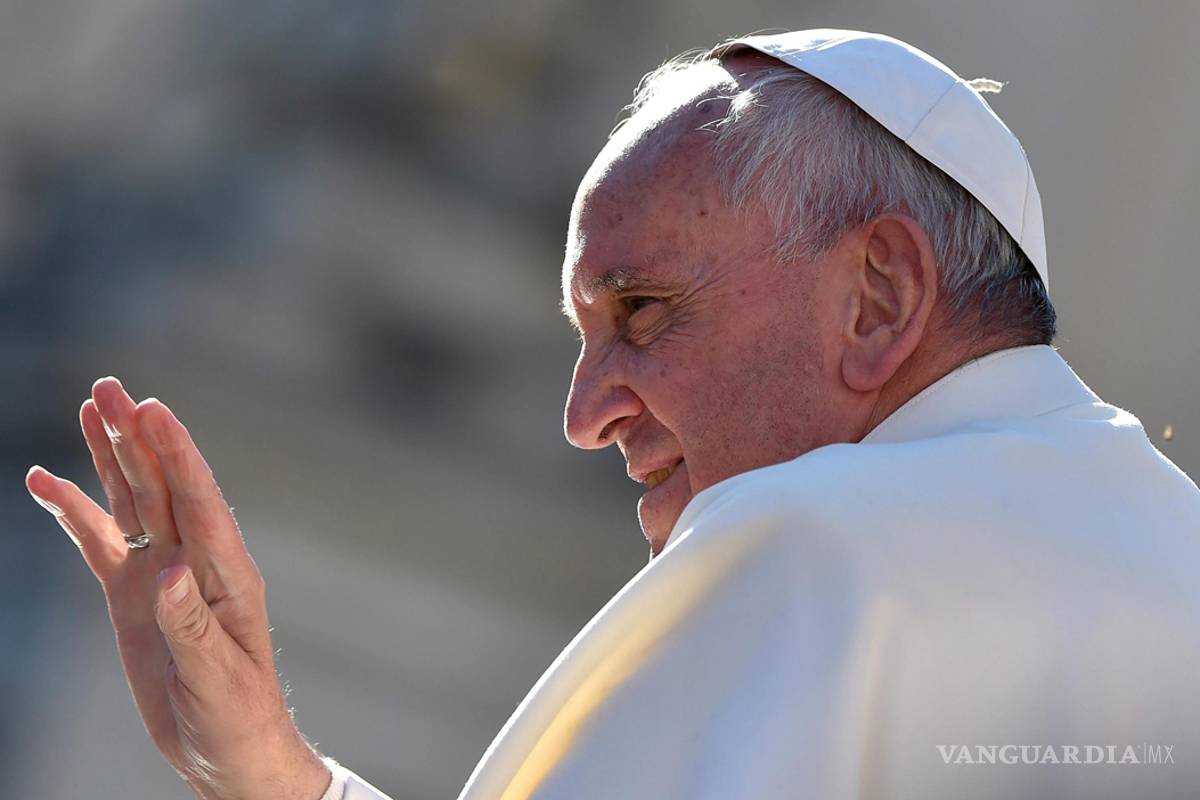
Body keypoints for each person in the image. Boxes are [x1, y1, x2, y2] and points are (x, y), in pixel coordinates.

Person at [25, 28, 1200, 800]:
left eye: (641, 308)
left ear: (879, 297)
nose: (585, 414)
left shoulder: (819, 545)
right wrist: (280, 772)